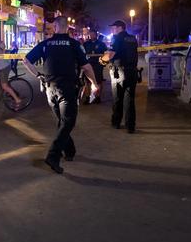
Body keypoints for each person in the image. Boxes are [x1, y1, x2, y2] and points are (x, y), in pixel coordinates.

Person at [23, 17, 99, 174]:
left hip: (50, 90)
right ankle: (53, 156)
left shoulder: (46, 44)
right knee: (68, 123)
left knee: (62, 122)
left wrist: (39, 76)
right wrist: (95, 84)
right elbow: (86, 67)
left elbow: (26, 61)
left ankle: (69, 151)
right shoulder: (74, 44)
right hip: (67, 90)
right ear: (66, 27)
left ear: (56, 26)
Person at [100, 20, 139, 133]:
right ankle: (130, 126)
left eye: (114, 27)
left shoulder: (117, 38)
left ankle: (116, 122)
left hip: (120, 72)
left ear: (120, 28)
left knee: (118, 98)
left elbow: (111, 54)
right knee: (130, 100)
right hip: (132, 72)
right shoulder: (132, 38)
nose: (112, 30)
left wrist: (102, 60)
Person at [82, 30, 107, 103]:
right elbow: (82, 53)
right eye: (90, 34)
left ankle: (98, 97)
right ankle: (87, 98)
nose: (92, 35)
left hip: (98, 65)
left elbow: (105, 53)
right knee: (87, 82)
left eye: (93, 34)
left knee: (98, 81)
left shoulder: (101, 44)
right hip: (88, 65)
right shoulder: (86, 44)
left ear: (96, 35)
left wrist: (103, 62)